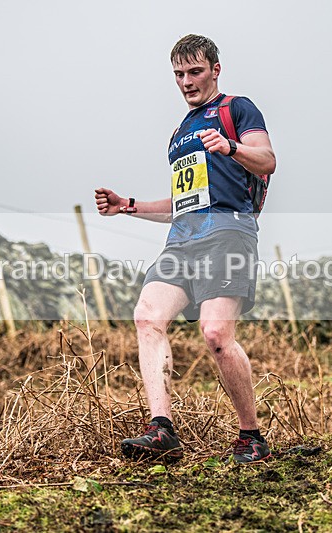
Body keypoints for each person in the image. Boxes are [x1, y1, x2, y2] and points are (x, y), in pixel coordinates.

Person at [94, 34, 276, 463]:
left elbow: (267, 160)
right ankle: (162, 430)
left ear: (215, 69)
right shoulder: (179, 132)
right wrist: (128, 207)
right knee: (146, 316)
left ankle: (251, 436)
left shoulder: (238, 108)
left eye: (195, 72)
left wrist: (230, 145)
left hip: (229, 233)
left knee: (215, 334)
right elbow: (182, 204)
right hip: (183, 239)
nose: (187, 81)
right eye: (179, 74)